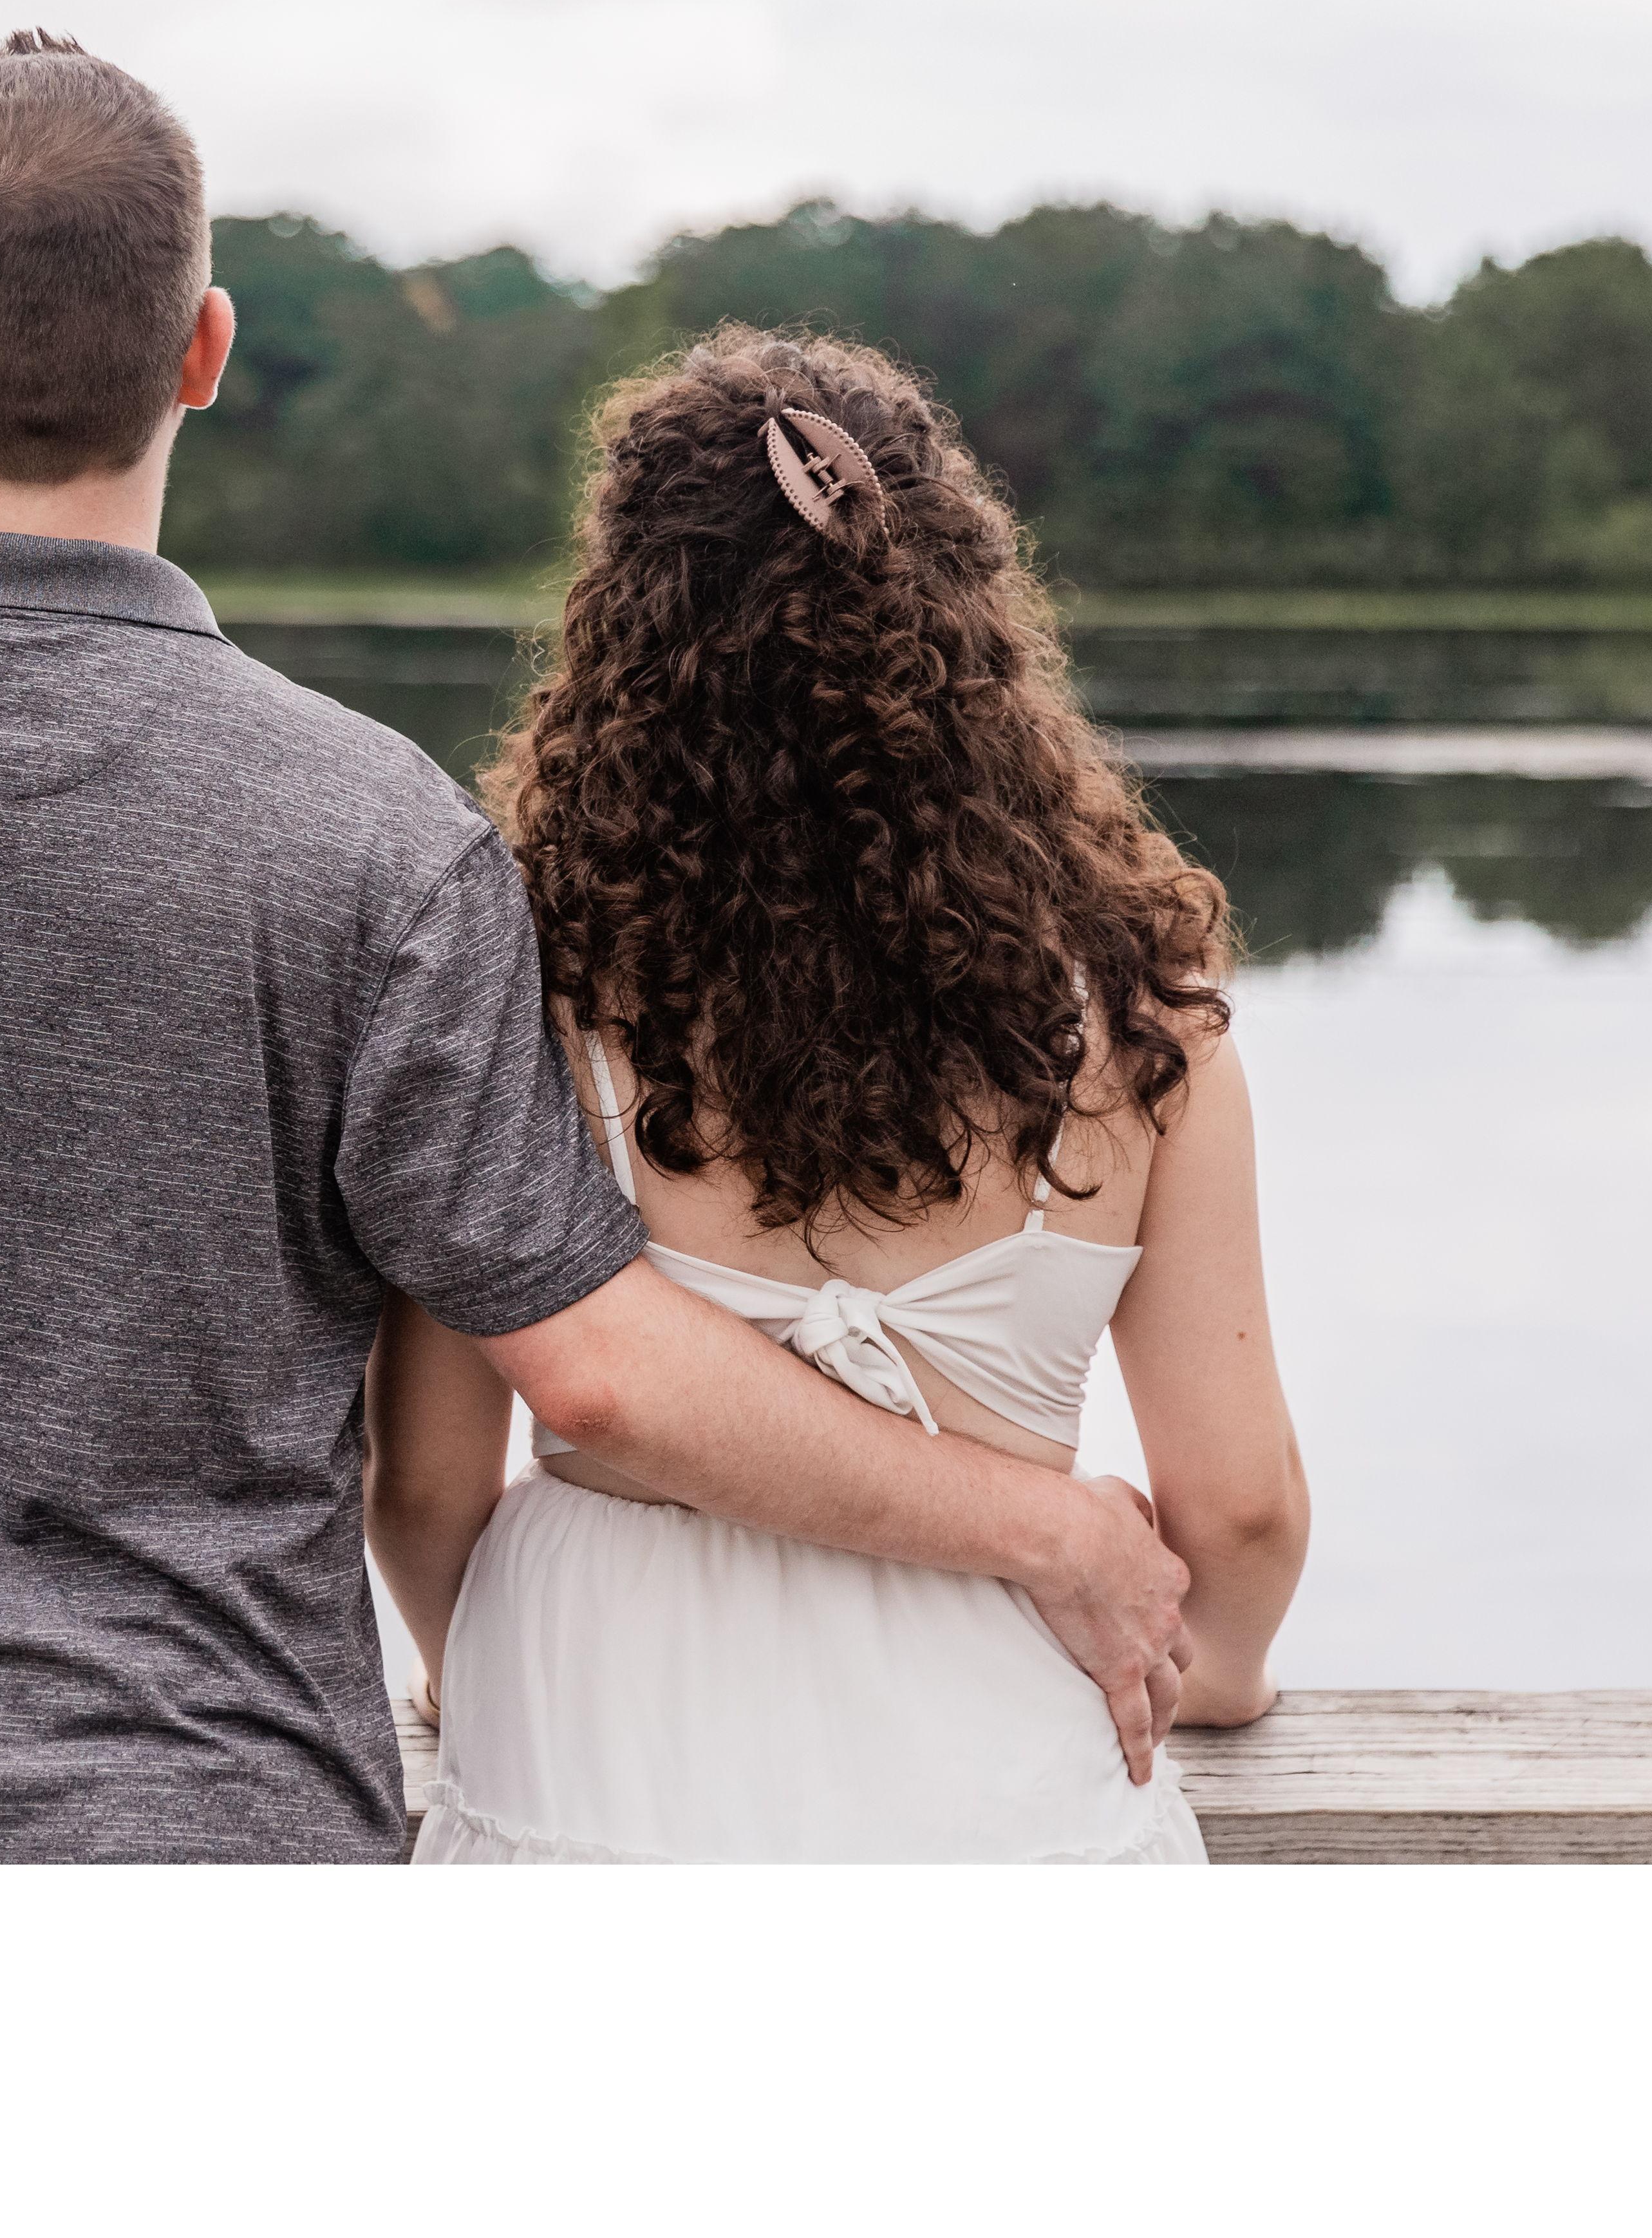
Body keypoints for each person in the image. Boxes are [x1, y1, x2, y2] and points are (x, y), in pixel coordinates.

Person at [0, 35, 1192, 1862]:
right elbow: (586, 1368)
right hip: (235, 1827)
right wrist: (1046, 1526)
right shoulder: (376, 837)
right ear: (207, 348)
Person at [369, 326, 1311, 1864]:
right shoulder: (1140, 1019)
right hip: (991, 1761)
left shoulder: (524, 985)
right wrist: (1214, 1678)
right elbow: (1243, 1508)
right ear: (962, 615)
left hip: (598, 1743)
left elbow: (420, 1483)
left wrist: (462, 1662)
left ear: (618, 626)